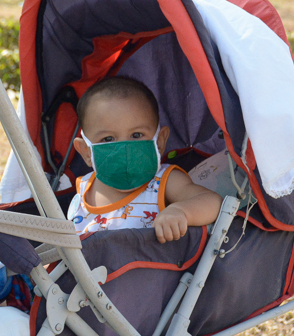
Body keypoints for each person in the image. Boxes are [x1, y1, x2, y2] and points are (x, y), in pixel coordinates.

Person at [67, 77, 223, 242]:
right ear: (86, 152)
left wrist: (181, 211)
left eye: (136, 135)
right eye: (108, 139)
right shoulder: (82, 192)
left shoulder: (163, 181)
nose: (124, 149)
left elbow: (213, 201)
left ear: (160, 141)